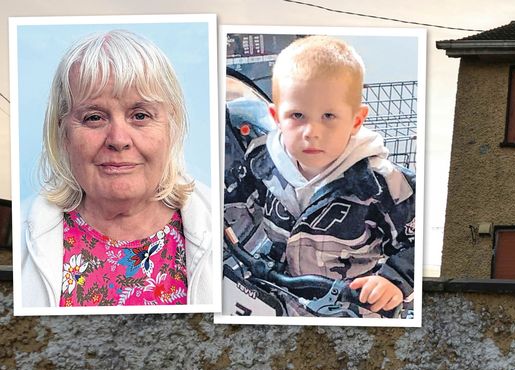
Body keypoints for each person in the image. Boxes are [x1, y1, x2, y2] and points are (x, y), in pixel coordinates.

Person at [20, 29, 216, 308]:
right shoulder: (18, 233)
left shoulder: (223, 225)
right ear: (63, 133)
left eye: (140, 115)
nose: (118, 140)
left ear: (171, 127)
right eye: (94, 117)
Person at [227, 35, 415, 317]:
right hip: (281, 301)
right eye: (297, 115)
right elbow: (233, 201)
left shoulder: (383, 184)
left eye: (328, 116)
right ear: (276, 117)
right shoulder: (261, 161)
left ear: (355, 120)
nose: (311, 131)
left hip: (355, 310)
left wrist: (394, 281)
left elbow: (416, 240)